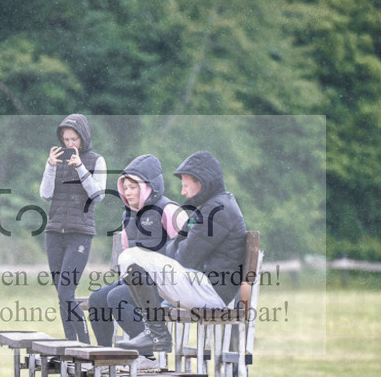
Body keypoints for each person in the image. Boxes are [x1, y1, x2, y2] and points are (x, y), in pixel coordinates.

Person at [117, 151, 248, 353]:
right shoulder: (211, 207)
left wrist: (179, 242)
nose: (183, 192)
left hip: (211, 292)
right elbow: (176, 246)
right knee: (133, 261)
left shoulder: (218, 210)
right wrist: (180, 242)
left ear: (201, 183)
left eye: (186, 185)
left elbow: (185, 258)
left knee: (129, 257)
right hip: (205, 285)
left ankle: (157, 335)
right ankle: (155, 334)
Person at [88, 154, 183, 354]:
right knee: (97, 298)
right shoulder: (127, 215)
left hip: (163, 284)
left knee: (117, 297)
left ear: (148, 187)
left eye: (133, 187)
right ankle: (105, 356)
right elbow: (126, 252)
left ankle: (148, 356)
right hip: (135, 282)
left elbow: (187, 247)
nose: (128, 192)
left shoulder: (169, 209)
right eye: (125, 188)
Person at [40, 114, 107, 342]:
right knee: (61, 294)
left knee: (66, 292)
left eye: (74, 139)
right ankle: (71, 343)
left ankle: (85, 343)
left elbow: (98, 195)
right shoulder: (56, 160)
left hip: (80, 234)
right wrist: (50, 167)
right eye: (66, 139)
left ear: (83, 138)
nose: (69, 144)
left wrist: (80, 168)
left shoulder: (96, 160)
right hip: (54, 232)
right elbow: (45, 194)